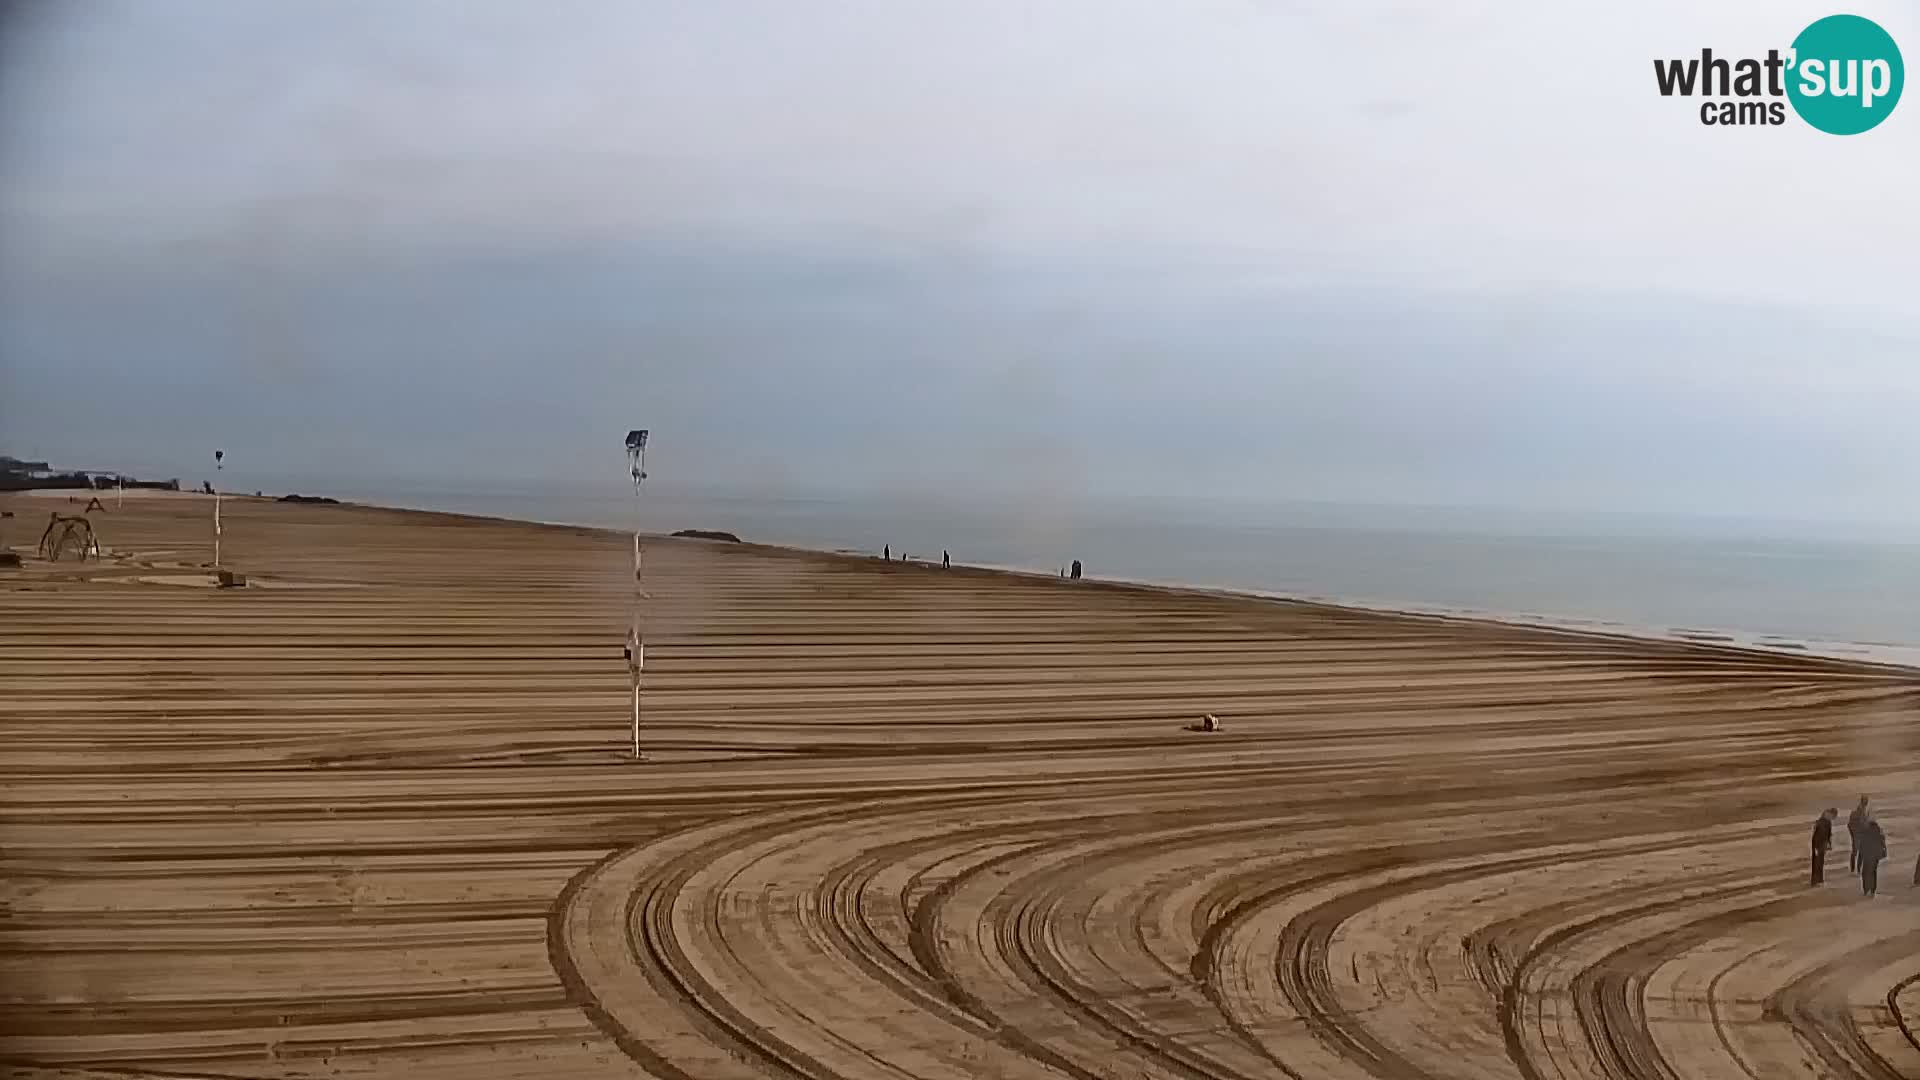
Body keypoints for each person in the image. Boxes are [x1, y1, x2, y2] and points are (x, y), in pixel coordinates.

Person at [1859, 816, 1887, 897]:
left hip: (1867, 855)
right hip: (1875, 856)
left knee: (1865, 873)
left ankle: (1866, 889)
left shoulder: (1866, 831)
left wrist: (1859, 861)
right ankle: (1872, 890)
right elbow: (1882, 842)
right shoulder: (1878, 830)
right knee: (1873, 872)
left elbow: (1862, 846)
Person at [1810, 807, 1837, 885]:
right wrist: (1817, 848)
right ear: (1831, 814)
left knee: (1820, 862)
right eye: (1833, 817)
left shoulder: (1827, 821)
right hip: (1817, 845)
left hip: (1821, 845)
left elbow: (1828, 834)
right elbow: (1817, 837)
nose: (1833, 819)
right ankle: (1815, 881)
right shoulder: (1821, 822)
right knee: (1817, 863)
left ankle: (1820, 879)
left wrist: (1829, 844)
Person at [1848, 796, 1870, 874]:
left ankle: (1856, 869)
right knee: (1856, 852)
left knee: (1859, 852)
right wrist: (1853, 835)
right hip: (1857, 835)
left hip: (1860, 835)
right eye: (1865, 802)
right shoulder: (1857, 813)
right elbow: (1850, 825)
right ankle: (1855, 869)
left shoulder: (1864, 812)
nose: (1866, 804)